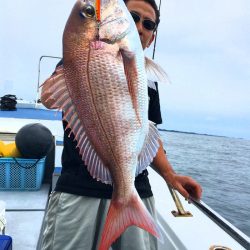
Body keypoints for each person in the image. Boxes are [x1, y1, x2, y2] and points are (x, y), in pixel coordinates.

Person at [41, 0, 202, 249]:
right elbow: (49, 98)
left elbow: (149, 134)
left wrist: (170, 175)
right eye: (133, 17)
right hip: (79, 189)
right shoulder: (78, 64)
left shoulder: (147, 79)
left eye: (148, 24)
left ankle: (126, 199)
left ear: (152, 36)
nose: (139, 27)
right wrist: (73, 59)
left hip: (136, 188)